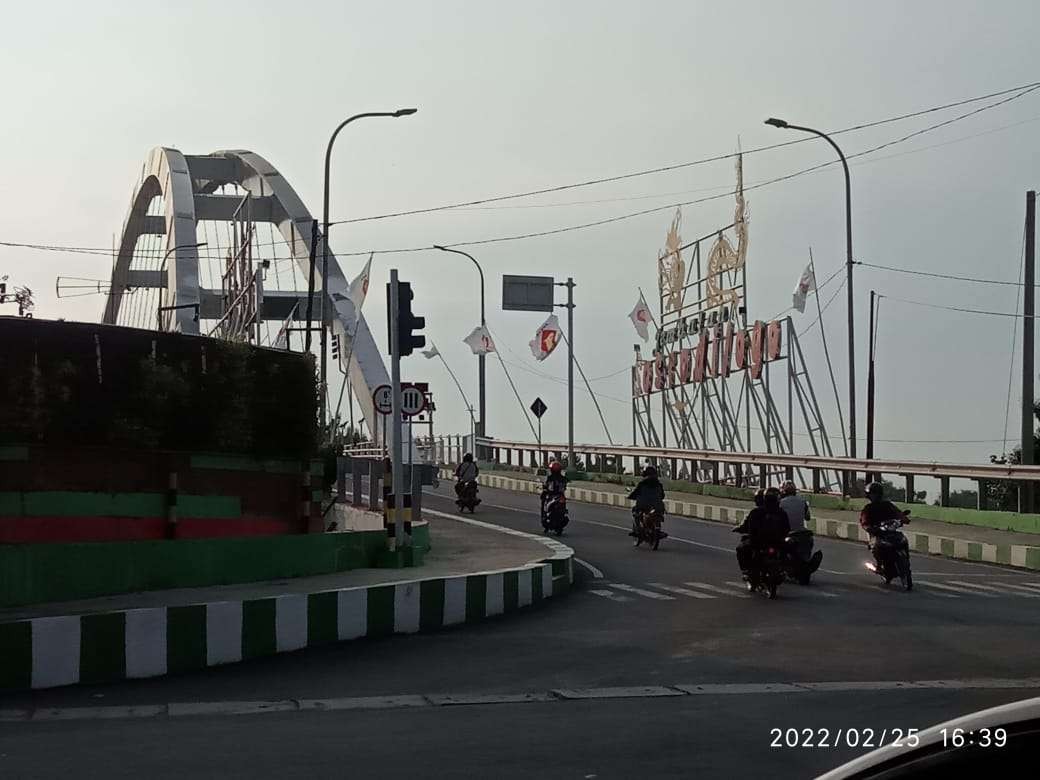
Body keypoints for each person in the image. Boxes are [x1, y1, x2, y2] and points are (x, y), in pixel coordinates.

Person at [736, 486, 791, 576]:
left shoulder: (756, 512)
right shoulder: (781, 513)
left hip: (760, 542)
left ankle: (746, 569)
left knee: (741, 549)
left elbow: (750, 528)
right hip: (776, 542)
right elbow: (787, 529)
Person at [859, 482, 904, 566]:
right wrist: (869, 527)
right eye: (873, 493)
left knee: (903, 539)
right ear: (869, 495)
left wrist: (902, 519)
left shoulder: (888, 505)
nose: (875, 496)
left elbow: (898, 513)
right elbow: (864, 521)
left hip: (890, 530)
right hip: (876, 532)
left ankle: (904, 558)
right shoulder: (868, 508)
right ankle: (879, 564)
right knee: (875, 545)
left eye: (876, 493)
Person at [627, 465, 667, 538]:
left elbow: (635, 493)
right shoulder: (659, 484)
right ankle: (657, 530)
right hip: (657, 505)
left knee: (635, 512)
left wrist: (630, 496)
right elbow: (662, 495)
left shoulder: (642, 484)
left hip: (644, 504)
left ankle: (637, 531)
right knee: (659, 513)